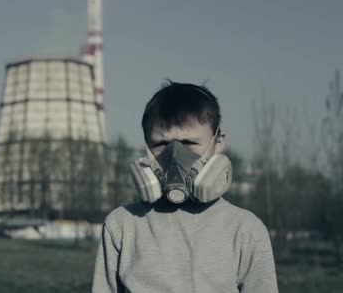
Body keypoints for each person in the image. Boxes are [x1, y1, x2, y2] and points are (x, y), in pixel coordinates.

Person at [92, 81, 278, 293]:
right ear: (146, 146)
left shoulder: (246, 230)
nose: (174, 155)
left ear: (218, 143)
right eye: (161, 144)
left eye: (189, 143)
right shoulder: (121, 226)